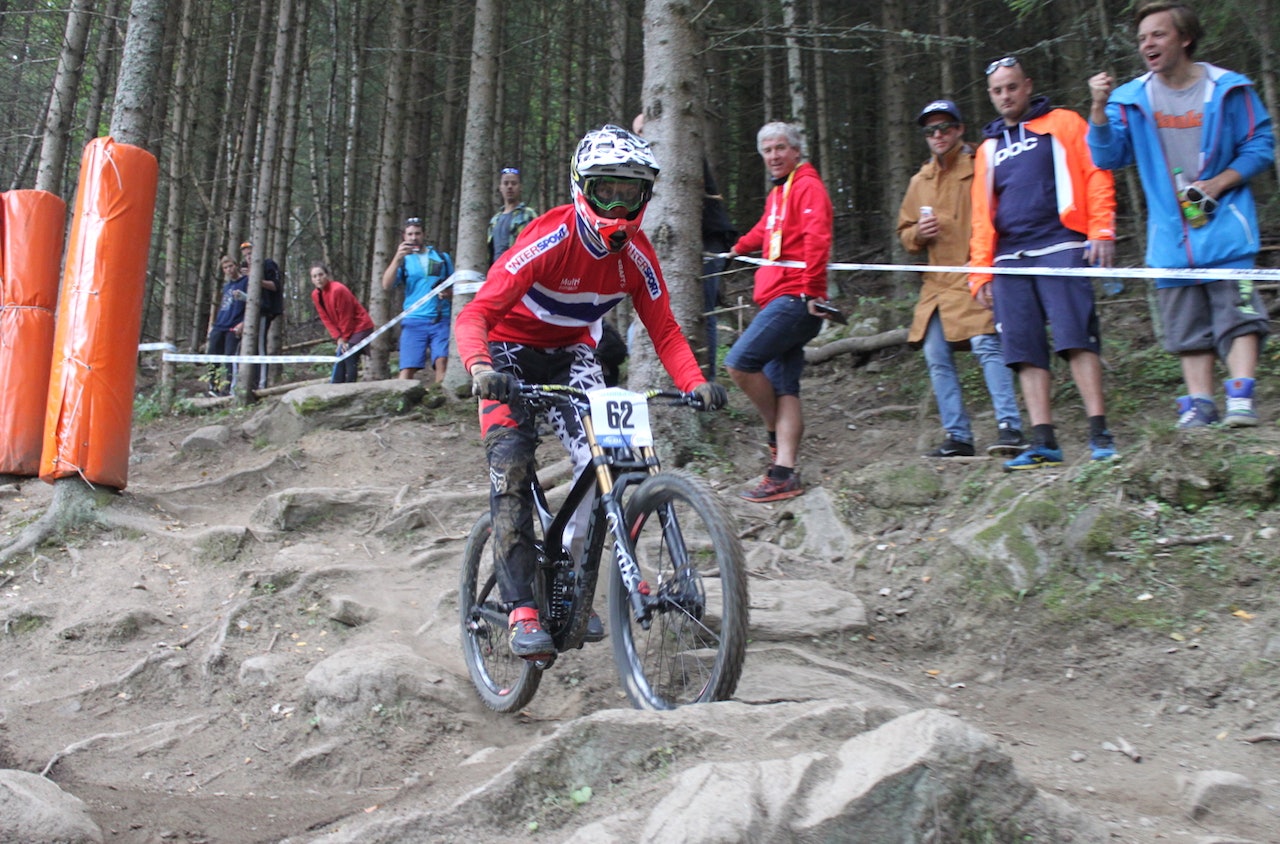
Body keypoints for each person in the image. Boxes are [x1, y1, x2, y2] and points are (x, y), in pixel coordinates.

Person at [455, 124, 727, 659]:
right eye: (609, 190)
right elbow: (477, 312)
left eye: (632, 193)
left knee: (602, 461)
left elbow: (666, 330)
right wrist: (480, 366)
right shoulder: (548, 237)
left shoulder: (639, 256)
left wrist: (694, 383)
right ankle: (522, 613)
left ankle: (571, 585)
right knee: (510, 474)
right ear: (583, 187)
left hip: (573, 355)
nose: (620, 205)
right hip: (506, 356)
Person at [1087, 2, 1274, 429]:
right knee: (1186, 323)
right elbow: (1107, 155)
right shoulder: (1131, 98)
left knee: (1239, 315)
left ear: (1185, 38)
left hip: (1226, 224)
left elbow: (1260, 144)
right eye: (1141, 39)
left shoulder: (1227, 88)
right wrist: (1098, 110)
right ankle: (1199, 404)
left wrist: (1219, 183)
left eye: (1158, 35)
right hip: (1171, 235)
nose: (1147, 45)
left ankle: (1241, 397)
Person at [970, 56, 1118, 471]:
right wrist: (980, 270)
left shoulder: (1064, 122)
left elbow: (1096, 172)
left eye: (1012, 87)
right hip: (1008, 258)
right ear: (990, 95)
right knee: (1023, 349)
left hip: (1060, 244)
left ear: (1027, 85)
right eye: (998, 91)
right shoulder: (988, 148)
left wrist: (1100, 229)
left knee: (1076, 337)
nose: (1005, 96)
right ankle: (1043, 441)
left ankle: (1100, 432)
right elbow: (981, 215)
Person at [897, 99, 1027, 459]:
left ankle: (1010, 427)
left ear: (959, 129)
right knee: (935, 352)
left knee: (987, 346)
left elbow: (1008, 211)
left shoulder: (982, 164)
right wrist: (919, 234)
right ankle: (958, 436)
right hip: (937, 283)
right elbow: (905, 235)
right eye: (930, 130)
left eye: (945, 128)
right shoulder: (919, 180)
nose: (938, 135)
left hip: (977, 272)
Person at [725, 121, 834, 502]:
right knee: (785, 386)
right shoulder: (781, 192)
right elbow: (766, 231)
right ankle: (783, 472)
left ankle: (773, 432)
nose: (774, 156)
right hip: (776, 297)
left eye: (780, 148)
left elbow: (818, 239)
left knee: (739, 363)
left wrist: (812, 291)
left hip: (795, 298)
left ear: (796, 150)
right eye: (768, 150)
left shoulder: (807, 186)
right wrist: (738, 247)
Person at [631, 113, 738, 380]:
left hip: (709, 240)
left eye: (648, 128)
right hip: (671, 245)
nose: (646, 135)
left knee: (702, 309)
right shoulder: (641, 165)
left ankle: (706, 382)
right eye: (640, 131)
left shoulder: (679, 153)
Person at [380, 218, 454, 383]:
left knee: (442, 362)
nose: (414, 238)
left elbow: (456, 286)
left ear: (424, 234)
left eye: (417, 233)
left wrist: (448, 293)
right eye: (410, 234)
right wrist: (396, 259)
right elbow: (386, 284)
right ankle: (401, 403)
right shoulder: (404, 261)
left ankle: (438, 400)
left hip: (440, 318)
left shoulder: (441, 257)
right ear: (404, 237)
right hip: (414, 319)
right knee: (407, 368)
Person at [310, 262, 374, 384]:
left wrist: (344, 338)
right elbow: (325, 318)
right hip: (345, 330)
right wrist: (338, 338)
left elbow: (347, 316)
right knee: (340, 357)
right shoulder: (315, 295)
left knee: (349, 354)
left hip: (360, 326)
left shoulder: (338, 290)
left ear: (327, 275)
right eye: (314, 276)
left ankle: (350, 387)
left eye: (320, 275)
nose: (318, 279)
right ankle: (336, 385)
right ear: (312, 279)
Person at [239, 240, 282, 390]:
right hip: (247, 312)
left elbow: (275, 286)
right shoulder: (244, 268)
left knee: (260, 346)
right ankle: (249, 382)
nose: (249, 258)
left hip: (265, 309)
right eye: (246, 256)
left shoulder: (268, 264)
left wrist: (256, 278)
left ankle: (262, 383)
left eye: (251, 254)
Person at [206, 256, 248, 396]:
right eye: (225, 268)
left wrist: (243, 323)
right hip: (220, 325)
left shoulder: (246, 282)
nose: (229, 270)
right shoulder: (227, 286)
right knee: (213, 355)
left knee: (230, 358)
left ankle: (229, 389)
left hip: (234, 325)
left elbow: (252, 304)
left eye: (230, 266)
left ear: (236, 265)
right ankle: (213, 386)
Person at [487, 167, 537, 265]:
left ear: (520, 187)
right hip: (497, 272)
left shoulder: (528, 215)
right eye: (506, 183)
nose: (510, 187)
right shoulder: (494, 220)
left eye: (514, 183)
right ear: (500, 187)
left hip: (520, 270)